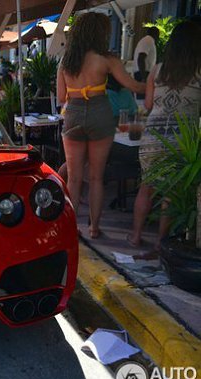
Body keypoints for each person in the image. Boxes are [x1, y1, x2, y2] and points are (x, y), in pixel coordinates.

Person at [57, 12, 145, 238]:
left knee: (74, 178)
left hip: (74, 113)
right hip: (100, 113)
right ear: (100, 33)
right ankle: (94, 228)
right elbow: (133, 86)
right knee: (96, 177)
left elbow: (60, 97)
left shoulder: (66, 61)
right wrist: (156, 83)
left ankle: (71, 229)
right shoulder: (107, 59)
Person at [128, 21, 201, 250]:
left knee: (146, 187)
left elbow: (148, 104)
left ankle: (136, 236)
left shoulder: (158, 69)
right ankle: (161, 243)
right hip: (182, 140)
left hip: (153, 135)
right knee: (171, 191)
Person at [133, 26, 159, 99]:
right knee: (144, 98)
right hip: (143, 72)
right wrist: (144, 77)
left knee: (145, 98)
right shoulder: (148, 40)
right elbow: (141, 58)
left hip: (143, 72)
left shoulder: (148, 41)